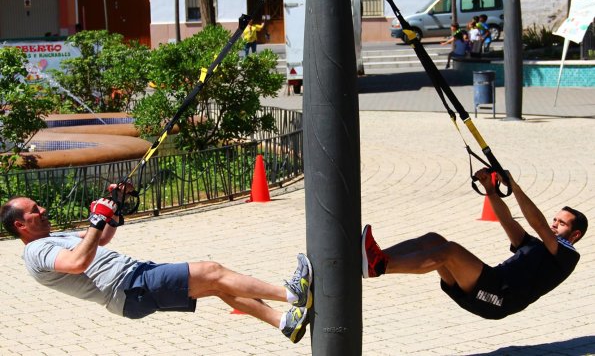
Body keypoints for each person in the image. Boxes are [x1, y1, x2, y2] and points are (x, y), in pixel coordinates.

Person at [0, 190, 313, 344]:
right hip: (129, 287)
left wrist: (113, 210)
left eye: (38, 206)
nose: (42, 210)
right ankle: (292, 294)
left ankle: (284, 322)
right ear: (20, 225)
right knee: (212, 270)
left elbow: (102, 239)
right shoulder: (36, 252)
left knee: (218, 286)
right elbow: (78, 262)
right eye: (33, 211)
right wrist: (96, 219)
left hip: (134, 281)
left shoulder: (52, 236)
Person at [361, 168, 588, 320]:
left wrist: (515, 187)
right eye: (555, 220)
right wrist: (490, 190)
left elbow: (537, 224)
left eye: (562, 224)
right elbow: (507, 220)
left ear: (575, 234)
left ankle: (380, 266)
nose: (554, 225)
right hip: (488, 285)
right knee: (433, 240)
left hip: (499, 297)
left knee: (451, 251)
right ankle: (369, 258)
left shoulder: (567, 255)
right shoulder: (535, 248)